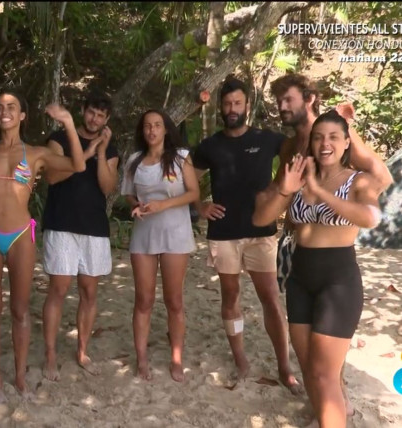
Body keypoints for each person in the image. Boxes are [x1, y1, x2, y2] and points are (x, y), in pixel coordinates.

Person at [252, 73, 393, 416]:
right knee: (311, 371)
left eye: (333, 137)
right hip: (300, 277)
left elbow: (370, 217)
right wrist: (288, 189)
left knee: (324, 373)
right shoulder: (301, 170)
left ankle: (335, 411)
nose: (324, 143)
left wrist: (319, 194)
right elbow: (260, 219)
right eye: (318, 139)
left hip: (337, 279)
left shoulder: (355, 180)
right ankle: (330, 414)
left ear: (346, 143)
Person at [0, 89, 86, 403]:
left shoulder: (37, 153)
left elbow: (79, 166)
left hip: (20, 235)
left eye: (12, 106)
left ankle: (19, 376)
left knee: (20, 310)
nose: (5, 111)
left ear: (22, 115)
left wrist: (69, 123)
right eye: (0, 107)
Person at [191, 77, 300, 392]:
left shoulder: (268, 140)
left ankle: (285, 367)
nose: (232, 109)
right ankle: (240, 360)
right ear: (220, 107)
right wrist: (199, 204)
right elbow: (187, 175)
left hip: (261, 233)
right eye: (227, 104)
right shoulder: (210, 145)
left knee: (271, 299)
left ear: (247, 105)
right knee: (231, 297)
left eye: (237, 103)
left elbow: (299, 151)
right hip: (223, 233)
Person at [40, 90, 119, 380]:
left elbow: (108, 187)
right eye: (91, 112)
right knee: (58, 290)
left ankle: (82, 351)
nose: (94, 119)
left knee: (89, 292)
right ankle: (50, 355)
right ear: (82, 110)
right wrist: (85, 153)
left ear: (107, 119)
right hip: (61, 224)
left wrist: (100, 151)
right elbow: (52, 176)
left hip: (94, 229)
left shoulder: (110, 150)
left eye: (101, 115)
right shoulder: (59, 140)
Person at [120, 109, 199, 382]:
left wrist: (163, 204)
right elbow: (128, 194)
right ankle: (141, 360)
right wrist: (136, 206)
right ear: (142, 131)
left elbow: (194, 193)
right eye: (147, 126)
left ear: (166, 129)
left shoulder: (181, 158)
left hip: (176, 234)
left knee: (173, 300)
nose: (152, 130)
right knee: (143, 300)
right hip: (144, 234)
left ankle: (176, 359)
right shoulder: (134, 161)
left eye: (157, 125)